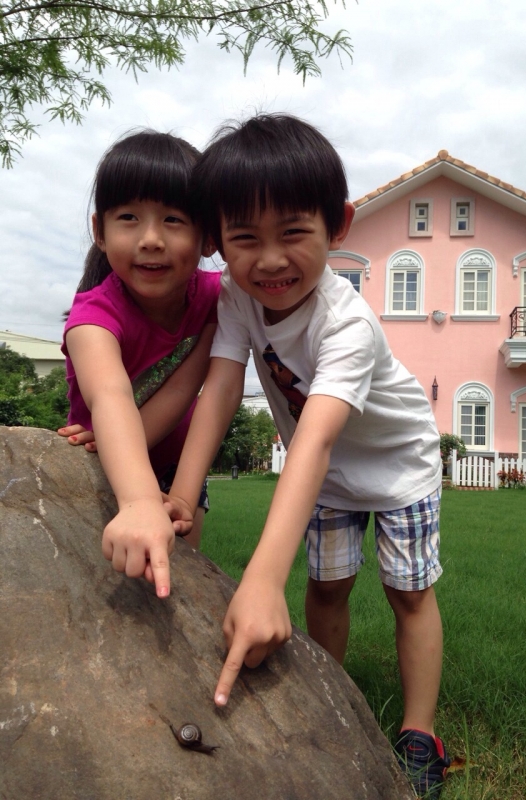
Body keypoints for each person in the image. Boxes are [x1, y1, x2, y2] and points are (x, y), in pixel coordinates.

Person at [108, 114, 450, 798]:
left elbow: (315, 439)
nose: (268, 260)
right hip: (326, 477)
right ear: (218, 241)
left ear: (338, 224)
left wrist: (263, 580)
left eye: (292, 232)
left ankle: (420, 734)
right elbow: (220, 387)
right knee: (326, 589)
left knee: (409, 594)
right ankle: (331, 703)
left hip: (399, 468)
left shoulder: (346, 325)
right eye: (245, 238)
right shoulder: (239, 299)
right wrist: (182, 492)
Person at [59, 130, 220, 584]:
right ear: (100, 232)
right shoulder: (93, 318)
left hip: (178, 466)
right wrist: (140, 501)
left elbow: (189, 386)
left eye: (174, 219)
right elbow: (110, 396)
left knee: (182, 583)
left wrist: (163, 497)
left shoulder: (219, 299)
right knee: (107, 582)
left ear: (208, 237)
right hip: (107, 464)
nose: (151, 239)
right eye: (128, 217)